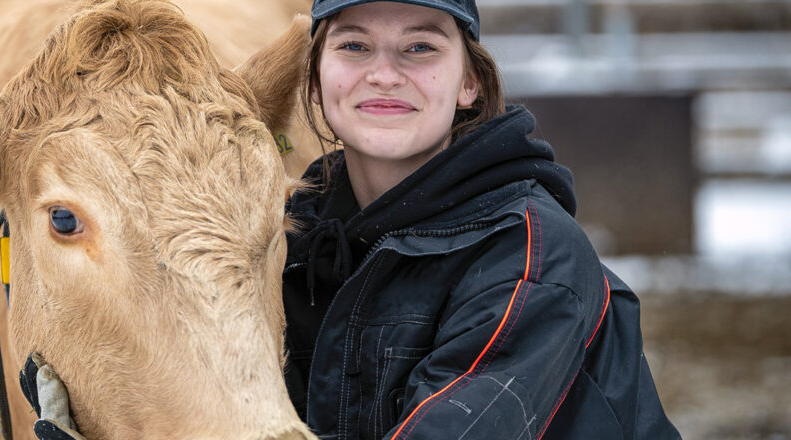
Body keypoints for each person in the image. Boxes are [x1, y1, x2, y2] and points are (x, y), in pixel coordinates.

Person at [281, 0, 681, 439]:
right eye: (355, 45)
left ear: (470, 82)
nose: (384, 75)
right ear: (315, 79)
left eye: (420, 47)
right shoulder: (290, 242)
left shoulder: (530, 258)